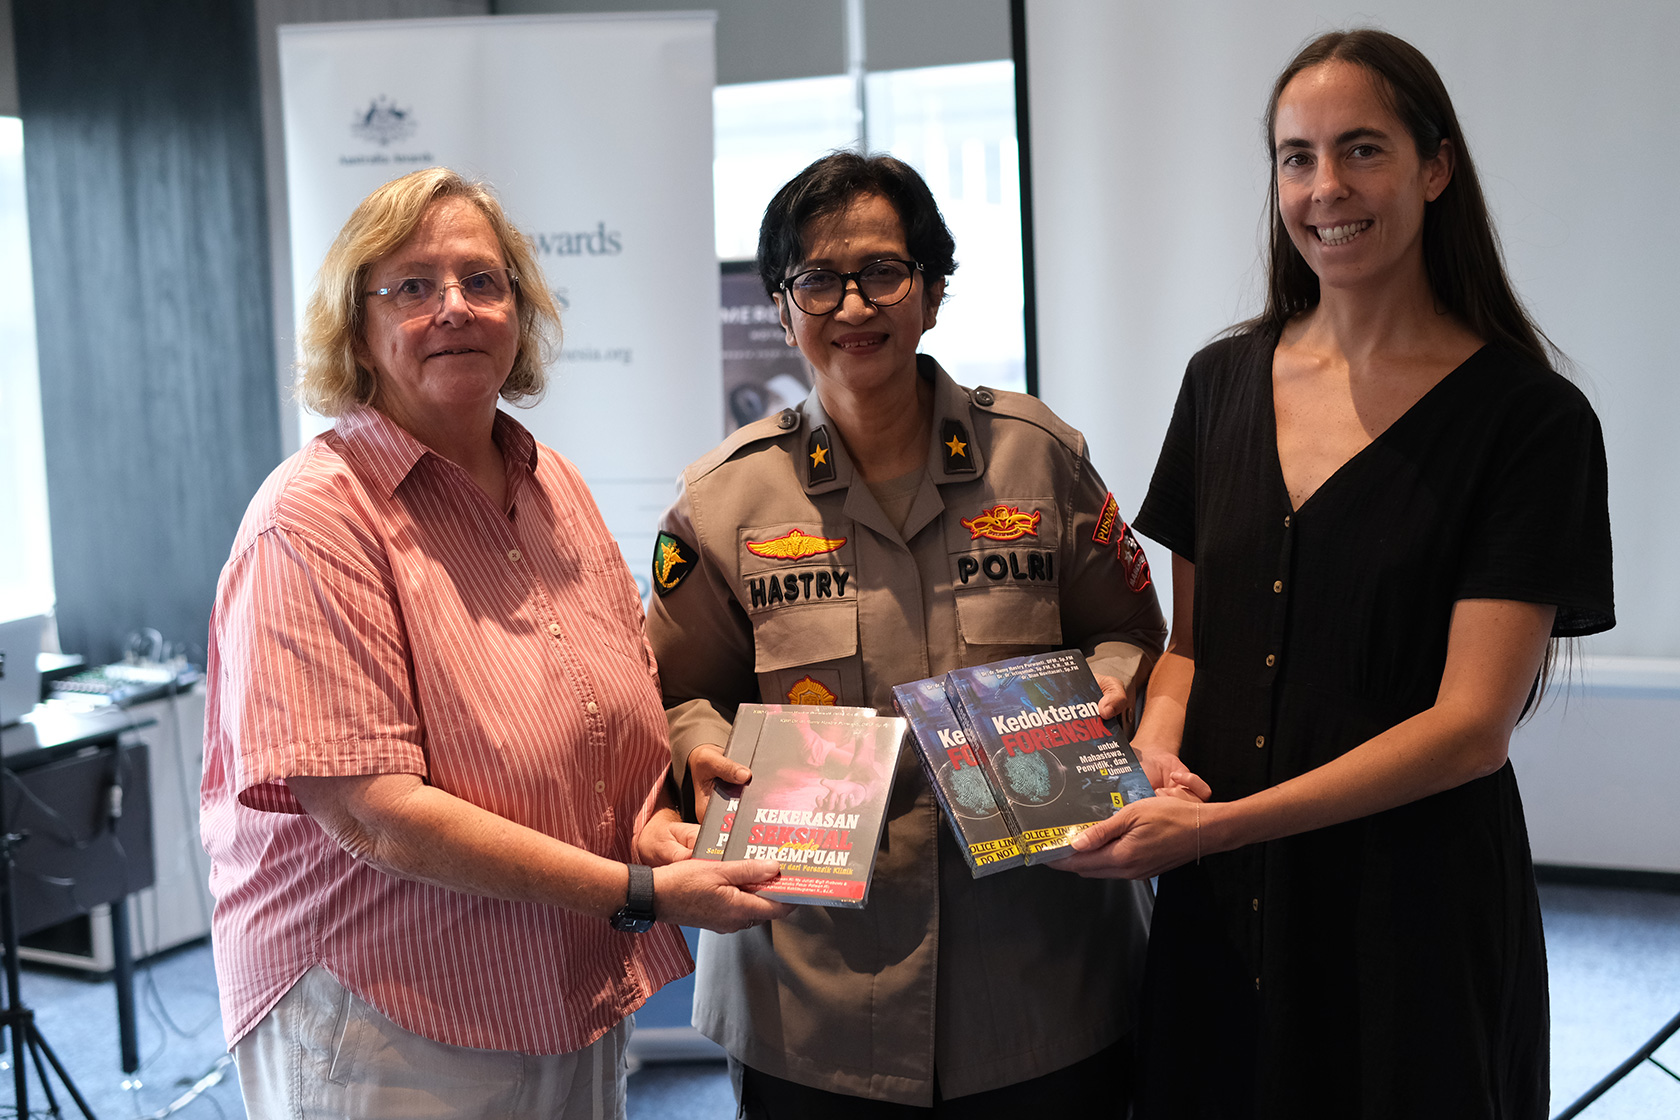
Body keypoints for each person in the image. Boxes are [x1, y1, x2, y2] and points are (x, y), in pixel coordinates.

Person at [1054, 29, 1615, 1118]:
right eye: (1296, 158)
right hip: (1221, 920)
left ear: (1435, 168)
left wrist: (1213, 826)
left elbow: (1470, 728)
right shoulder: (1220, 381)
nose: (1326, 189)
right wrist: (1153, 759)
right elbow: (1190, 648)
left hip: (1411, 924)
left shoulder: (1529, 421)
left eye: (1362, 150)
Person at [200, 167, 789, 1119]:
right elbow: (375, 813)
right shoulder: (311, 522)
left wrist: (645, 824)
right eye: (413, 286)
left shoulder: (554, 481)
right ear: (358, 329)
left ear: (520, 311)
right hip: (387, 1008)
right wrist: (639, 887)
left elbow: (608, 704)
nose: (455, 309)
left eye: (483, 281)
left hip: (562, 980)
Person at [637, 151, 1177, 1116]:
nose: (853, 306)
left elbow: (1134, 632)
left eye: (884, 272)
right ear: (780, 306)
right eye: (817, 280)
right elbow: (679, 689)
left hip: (1042, 982)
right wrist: (705, 750)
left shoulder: (1039, 460)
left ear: (931, 293)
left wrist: (1109, 695)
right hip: (811, 999)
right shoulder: (721, 501)